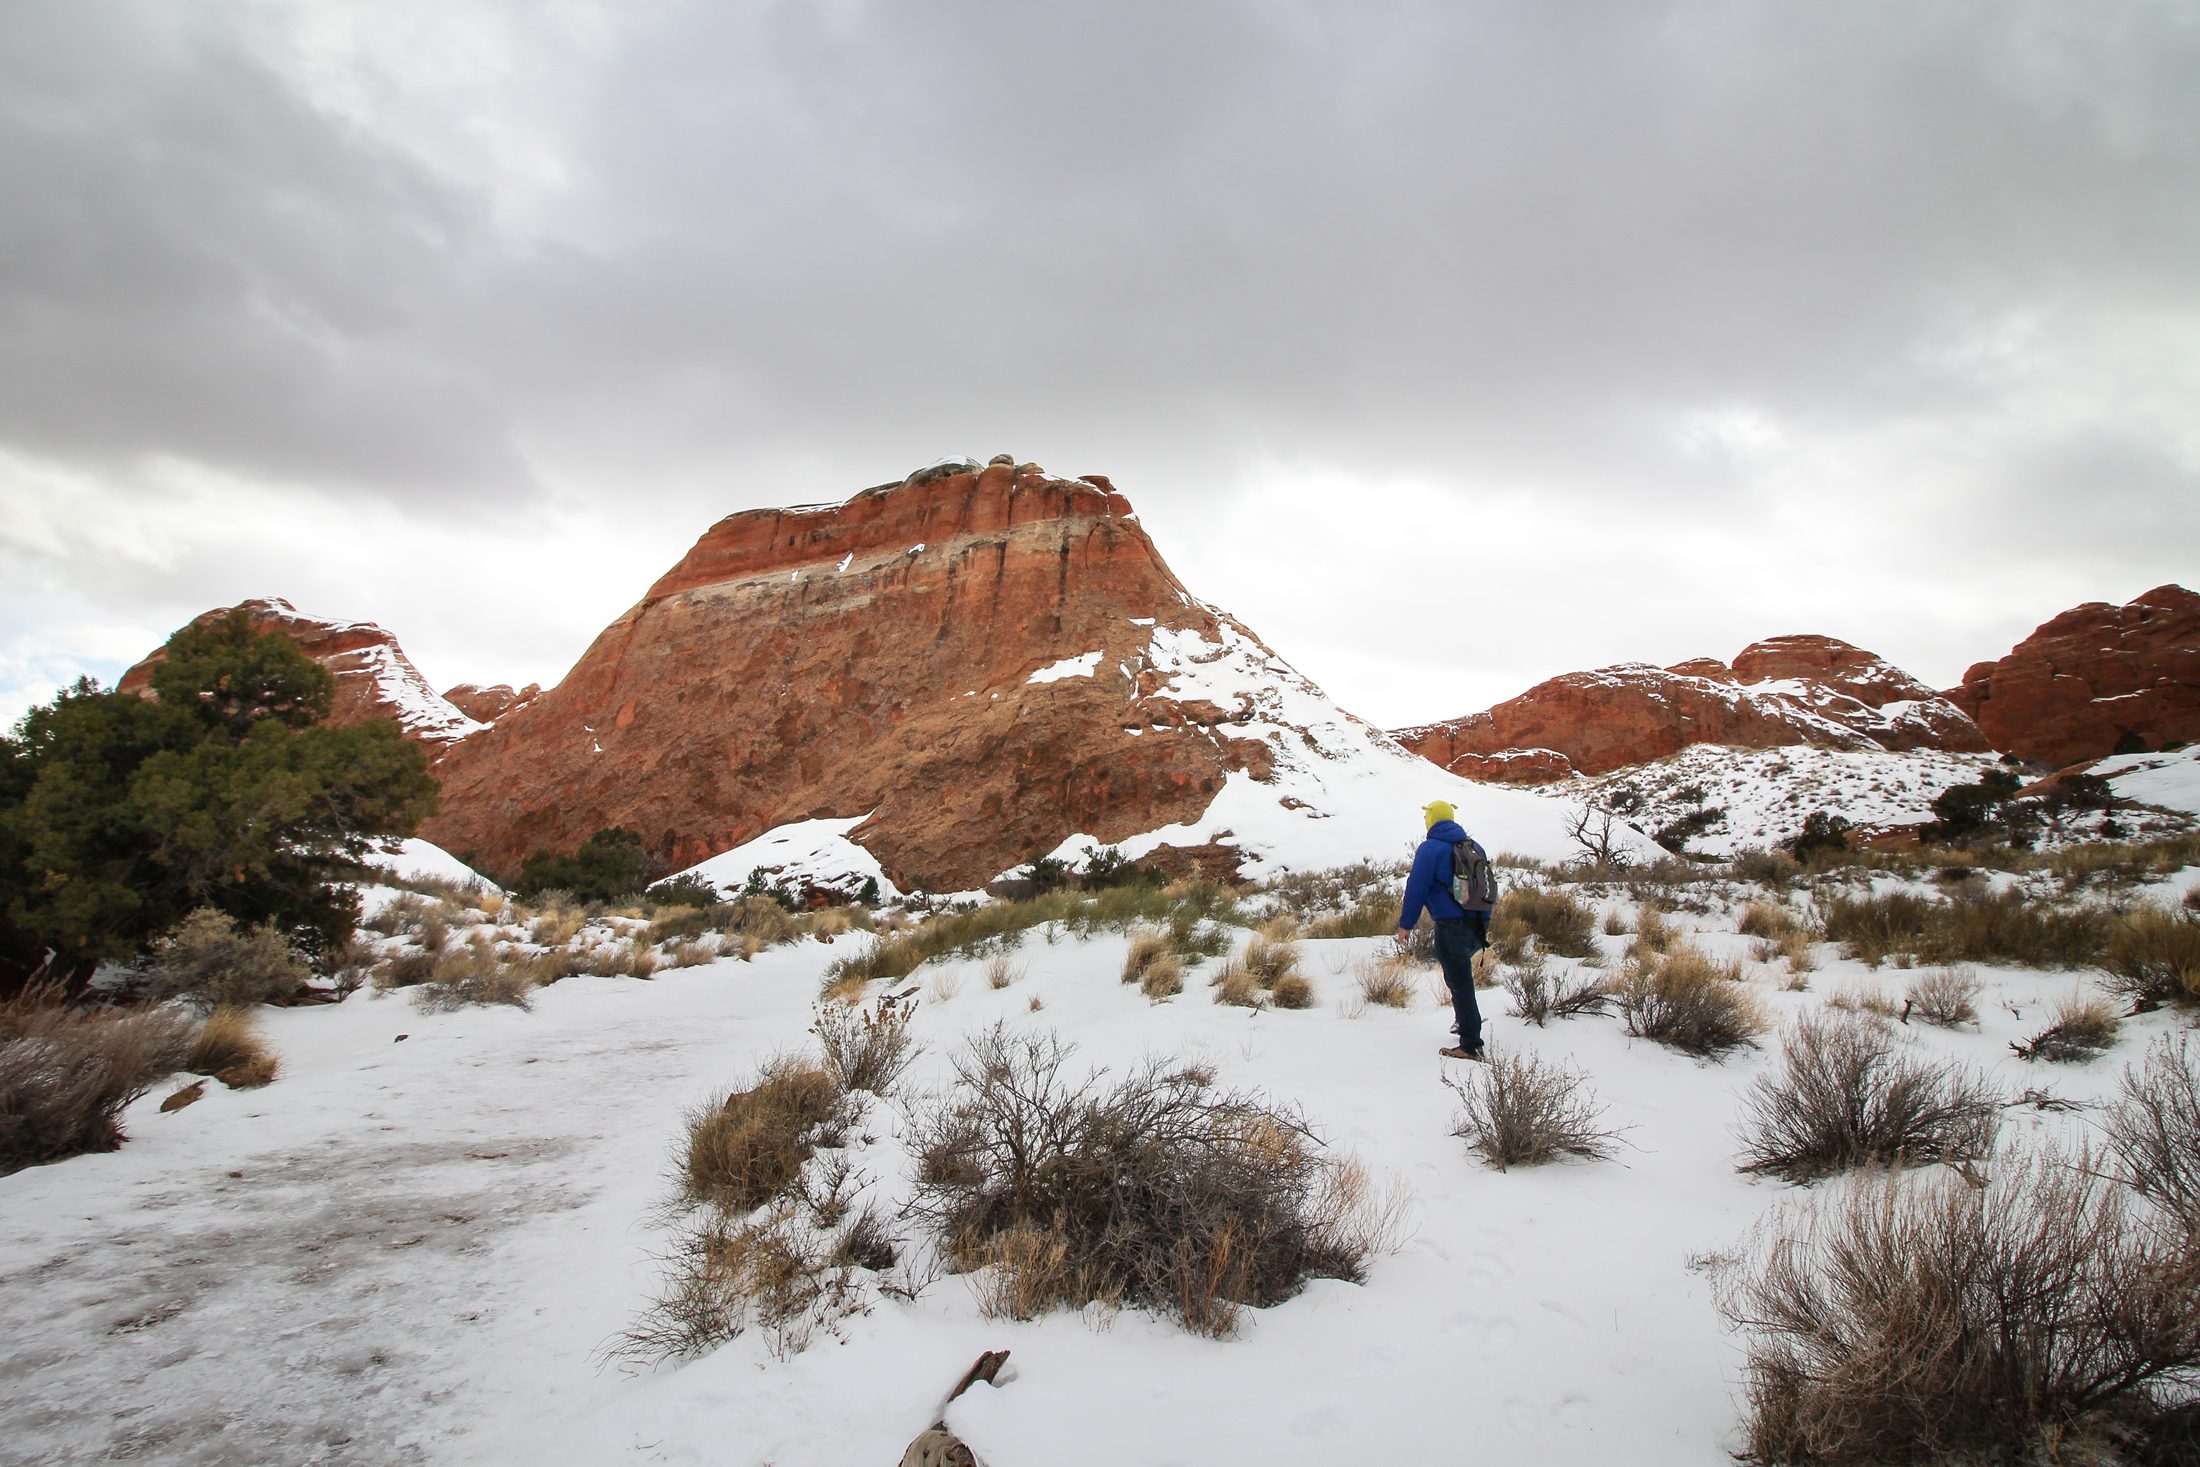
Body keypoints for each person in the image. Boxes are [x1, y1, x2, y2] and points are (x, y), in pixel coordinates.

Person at [1396, 799, 1493, 1059]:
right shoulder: (1474, 847)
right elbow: (1486, 888)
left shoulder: (1431, 849)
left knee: (1460, 984)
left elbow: (1417, 887)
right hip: (1477, 927)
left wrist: (1406, 924)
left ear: (1432, 820)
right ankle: (1465, 1022)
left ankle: (1471, 1045)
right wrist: (1483, 924)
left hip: (1451, 927)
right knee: (1457, 979)